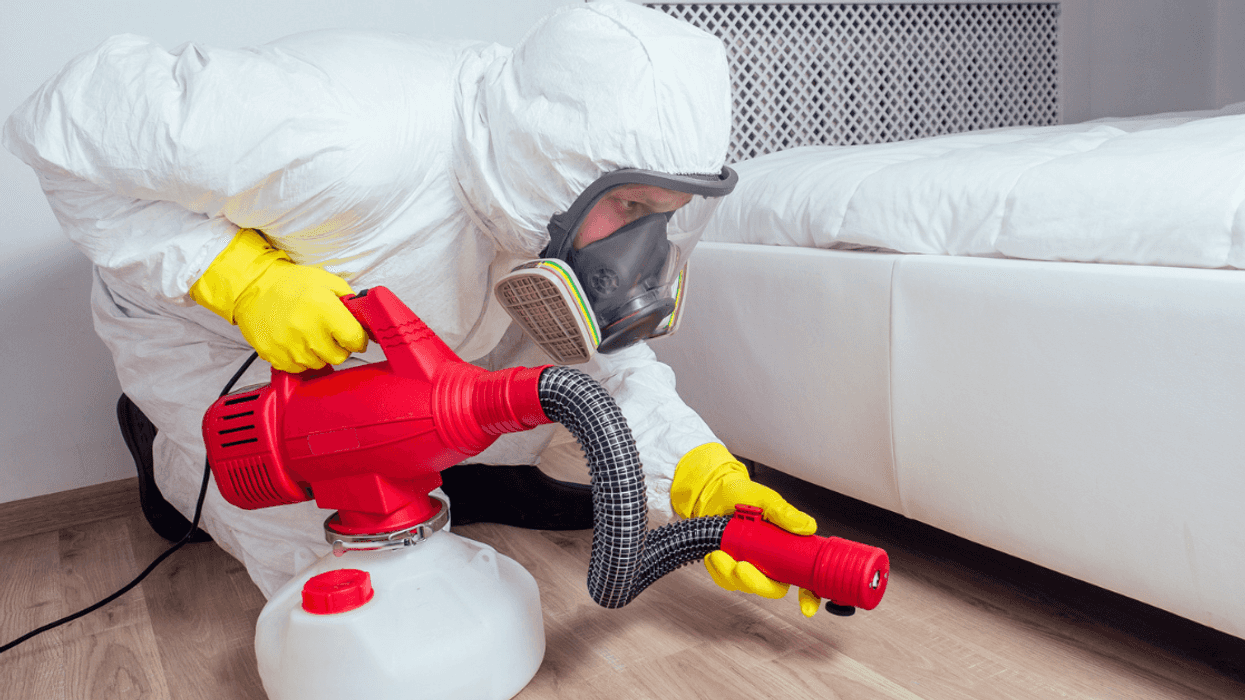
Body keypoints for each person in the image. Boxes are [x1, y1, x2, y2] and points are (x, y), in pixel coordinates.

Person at [4, 0, 822, 616]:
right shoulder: (335, 133)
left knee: (588, 476)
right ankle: (167, 462)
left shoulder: (529, 194)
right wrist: (235, 275)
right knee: (340, 582)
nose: (642, 246)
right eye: (632, 206)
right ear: (556, 160)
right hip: (210, 336)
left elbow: (599, 376)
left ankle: (431, 471)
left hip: (408, 310)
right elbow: (61, 120)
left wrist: (706, 480)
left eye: (663, 212)